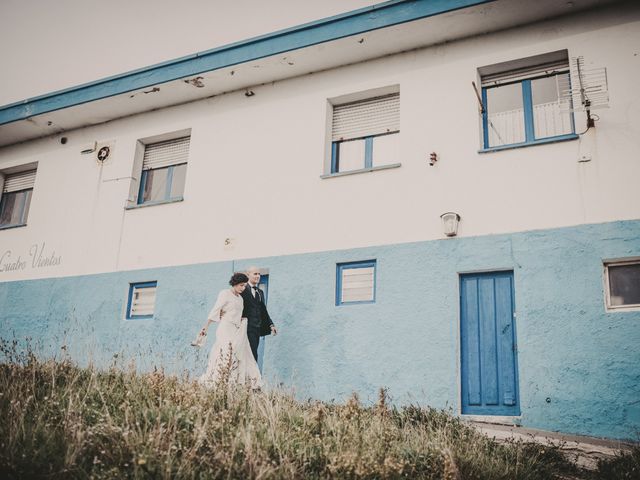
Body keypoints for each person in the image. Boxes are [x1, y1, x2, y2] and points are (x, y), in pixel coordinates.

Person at [197, 273, 262, 389]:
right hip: (225, 328)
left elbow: (237, 313)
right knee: (224, 352)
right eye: (241, 285)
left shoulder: (241, 298)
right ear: (235, 283)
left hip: (236, 330)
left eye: (244, 286)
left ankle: (231, 383)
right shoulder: (225, 294)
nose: (243, 288)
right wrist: (206, 327)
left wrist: (242, 320)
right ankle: (217, 380)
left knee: (237, 354)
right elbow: (216, 309)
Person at [241, 266, 277, 362]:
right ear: (248, 275)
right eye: (255, 274)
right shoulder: (242, 289)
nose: (258, 276)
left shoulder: (260, 292)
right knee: (248, 354)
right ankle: (250, 376)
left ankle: (251, 376)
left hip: (256, 328)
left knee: (253, 353)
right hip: (244, 328)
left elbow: (263, 311)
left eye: (259, 274)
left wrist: (271, 324)